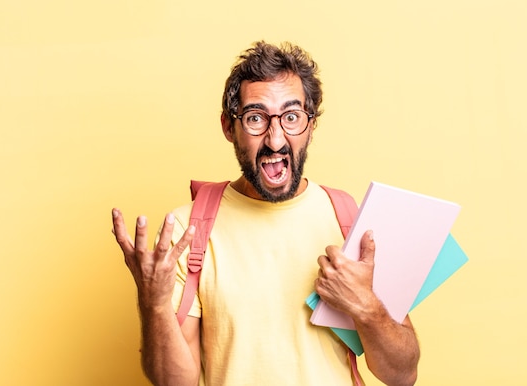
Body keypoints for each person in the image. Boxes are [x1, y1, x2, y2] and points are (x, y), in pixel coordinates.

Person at [112, 41, 420, 386]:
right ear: (230, 128)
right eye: (256, 118)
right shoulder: (188, 230)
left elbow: (402, 374)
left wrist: (366, 306)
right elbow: (175, 383)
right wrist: (153, 303)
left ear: (311, 125)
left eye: (291, 117)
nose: (276, 140)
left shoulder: (348, 219)